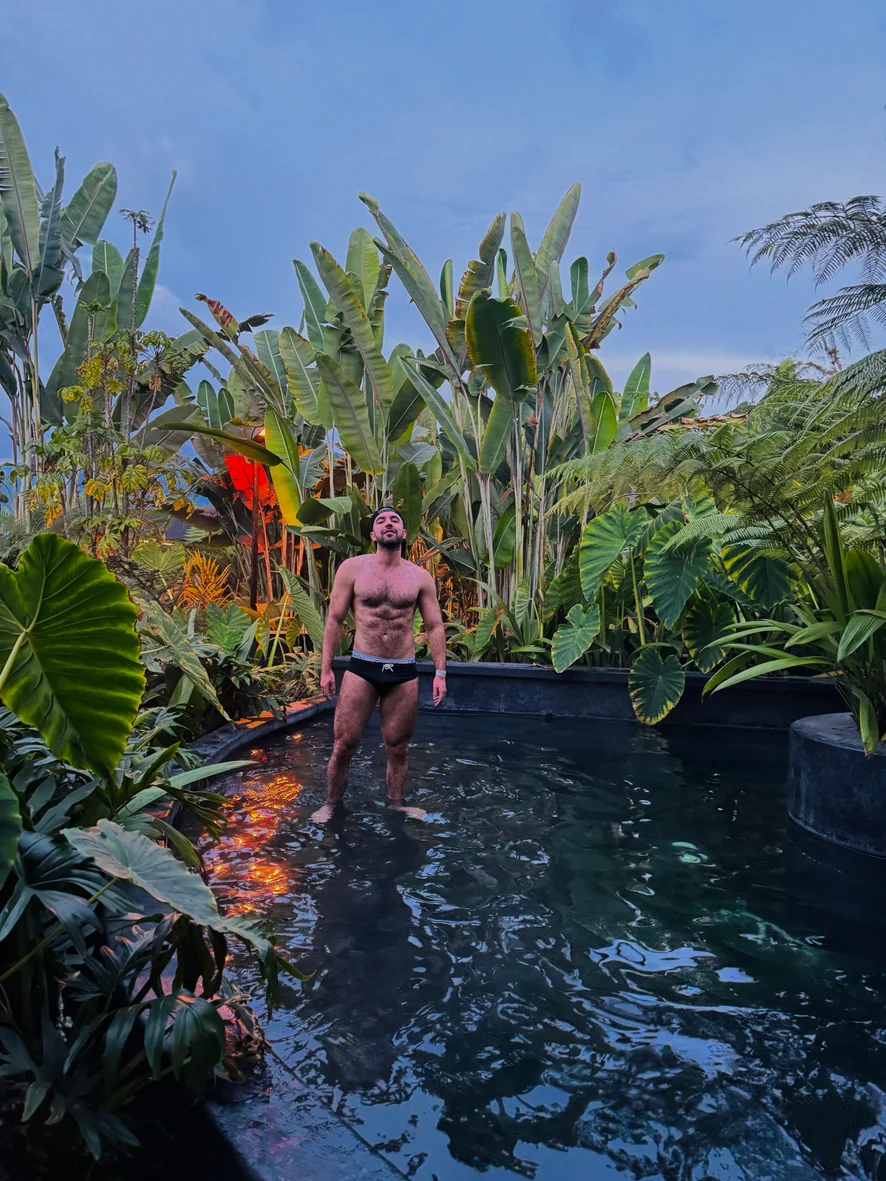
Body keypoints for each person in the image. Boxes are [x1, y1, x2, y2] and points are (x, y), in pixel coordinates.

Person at [312, 507, 447, 822]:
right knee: (344, 744)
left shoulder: (419, 577)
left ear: (403, 533)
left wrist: (440, 672)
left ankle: (397, 806)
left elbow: (434, 626)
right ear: (373, 534)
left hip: (402, 671)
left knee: (398, 747)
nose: (389, 524)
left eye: (395, 520)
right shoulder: (352, 569)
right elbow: (334, 619)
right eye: (381, 521)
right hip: (363, 667)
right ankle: (331, 805)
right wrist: (326, 668)